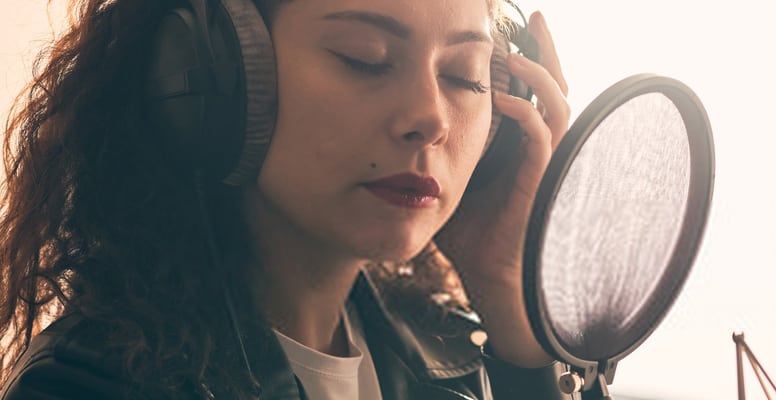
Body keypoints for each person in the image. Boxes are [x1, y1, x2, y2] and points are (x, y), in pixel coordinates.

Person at [0, 0, 571, 398]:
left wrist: (514, 304)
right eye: (365, 57)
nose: (430, 117)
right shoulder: (86, 385)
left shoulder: (447, 355)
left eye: (465, 76)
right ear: (215, 73)